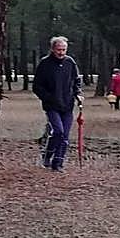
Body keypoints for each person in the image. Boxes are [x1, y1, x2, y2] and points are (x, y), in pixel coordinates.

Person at [33, 36, 82, 171]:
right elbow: (37, 86)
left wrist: (78, 94)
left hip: (67, 104)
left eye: (64, 50)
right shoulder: (45, 63)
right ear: (52, 49)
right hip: (52, 105)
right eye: (58, 50)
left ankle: (58, 163)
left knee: (65, 135)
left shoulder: (70, 62)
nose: (61, 52)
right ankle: (47, 155)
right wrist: (48, 98)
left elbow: (76, 80)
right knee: (58, 132)